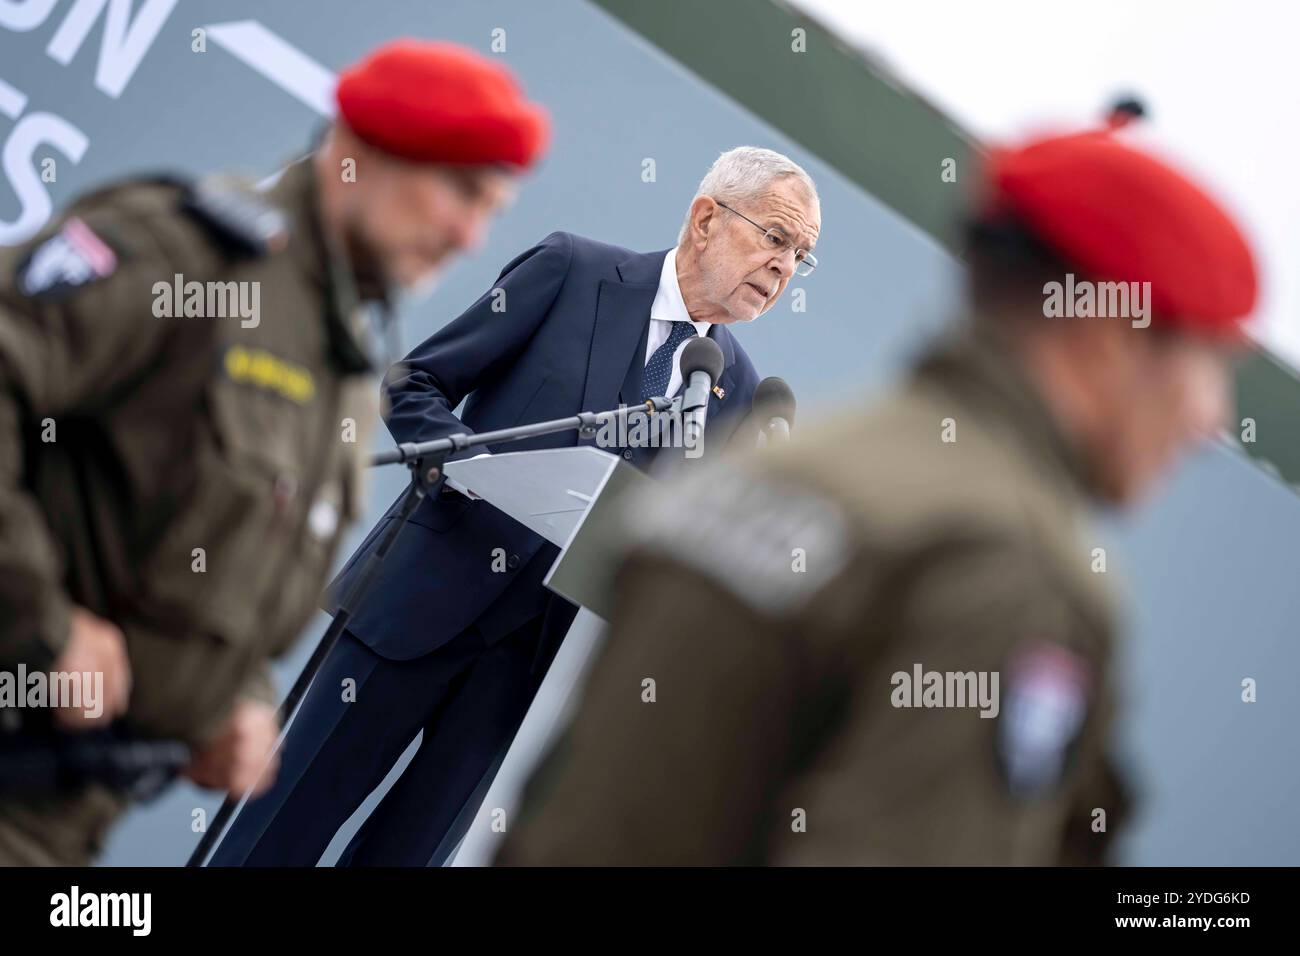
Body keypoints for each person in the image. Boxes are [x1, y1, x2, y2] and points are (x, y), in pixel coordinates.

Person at [496, 117, 1258, 865]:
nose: (1209, 418)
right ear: (1106, 340)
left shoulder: (752, 474)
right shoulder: (1008, 568)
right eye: (1208, 365)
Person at [0, 38, 546, 866]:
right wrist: (46, 629)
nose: (469, 236)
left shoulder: (348, 369)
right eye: (457, 192)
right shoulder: (187, 254)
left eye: (491, 211)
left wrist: (232, 703)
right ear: (361, 155)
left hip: (67, 818)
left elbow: (224, 572)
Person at [212, 146, 821, 866]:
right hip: (416, 608)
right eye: (776, 238)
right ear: (705, 219)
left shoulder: (737, 391)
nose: (784, 267)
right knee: (279, 832)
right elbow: (417, 384)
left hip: (526, 675)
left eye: (801, 257)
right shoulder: (575, 271)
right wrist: (466, 465)